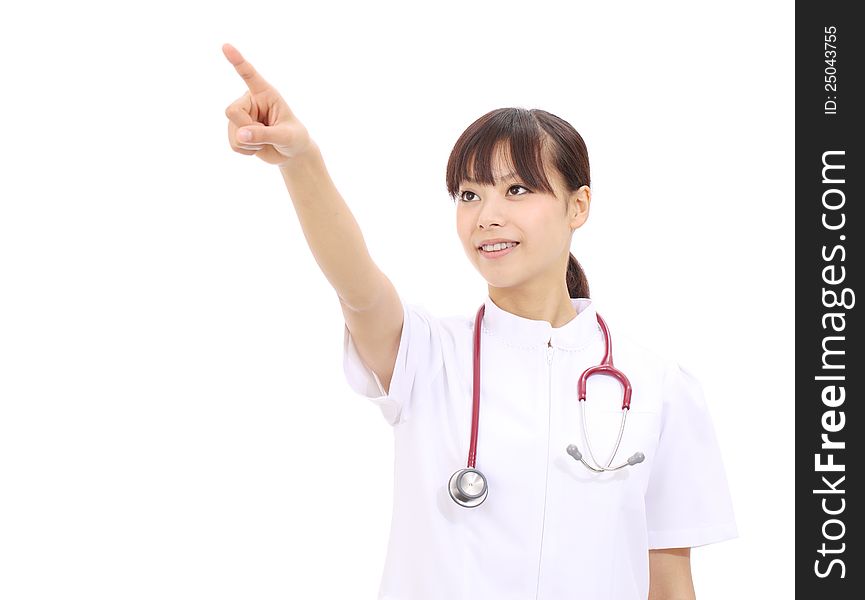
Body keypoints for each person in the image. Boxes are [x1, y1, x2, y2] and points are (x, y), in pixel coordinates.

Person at [222, 42, 738, 600]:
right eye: (470, 194)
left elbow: (668, 579)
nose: (488, 216)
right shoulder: (423, 355)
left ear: (578, 206)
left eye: (517, 189)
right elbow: (358, 287)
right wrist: (301, 162)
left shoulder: (659, 386)